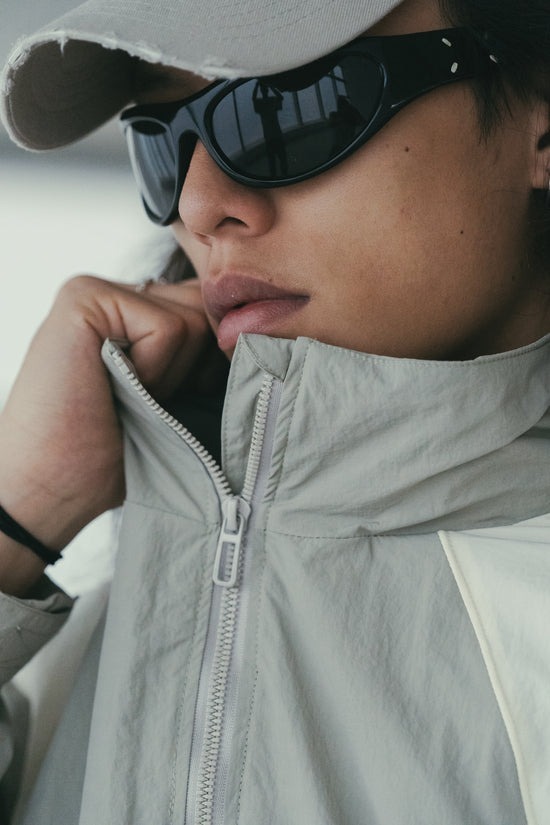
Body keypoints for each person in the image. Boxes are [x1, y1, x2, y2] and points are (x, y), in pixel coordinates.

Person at [1, 0, 550, 821]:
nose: (198, 206)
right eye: (161, 142)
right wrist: (19, 516)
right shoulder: (65, 650)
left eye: (286, 107)